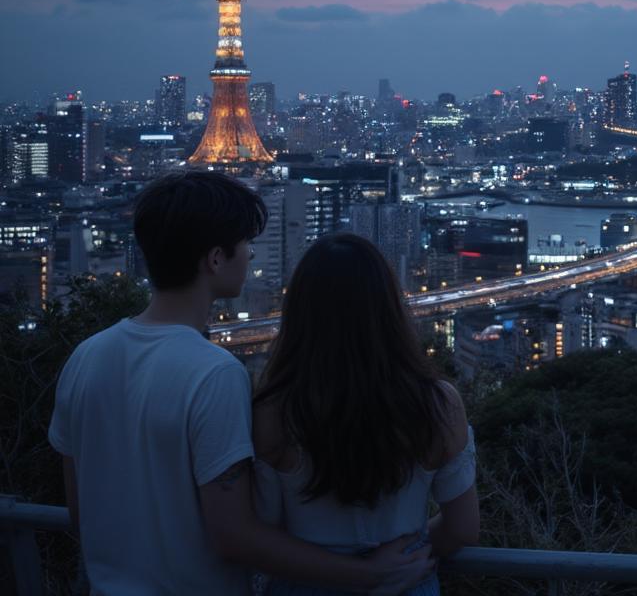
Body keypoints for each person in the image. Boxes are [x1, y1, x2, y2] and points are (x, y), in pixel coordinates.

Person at [49, 170, 434, 595]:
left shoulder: (85, 358)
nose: (251, 255)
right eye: (246, 244)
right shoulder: (214, 373)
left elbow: (79, 510)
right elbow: (234, 535)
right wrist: (368, 574)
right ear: (215, 259)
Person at [252, 233, 479, 596]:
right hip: (407, 583)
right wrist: (403, 559)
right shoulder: (437, 404)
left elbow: (262, 529)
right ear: (389, 308)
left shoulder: (273, 409)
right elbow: (462, 528)